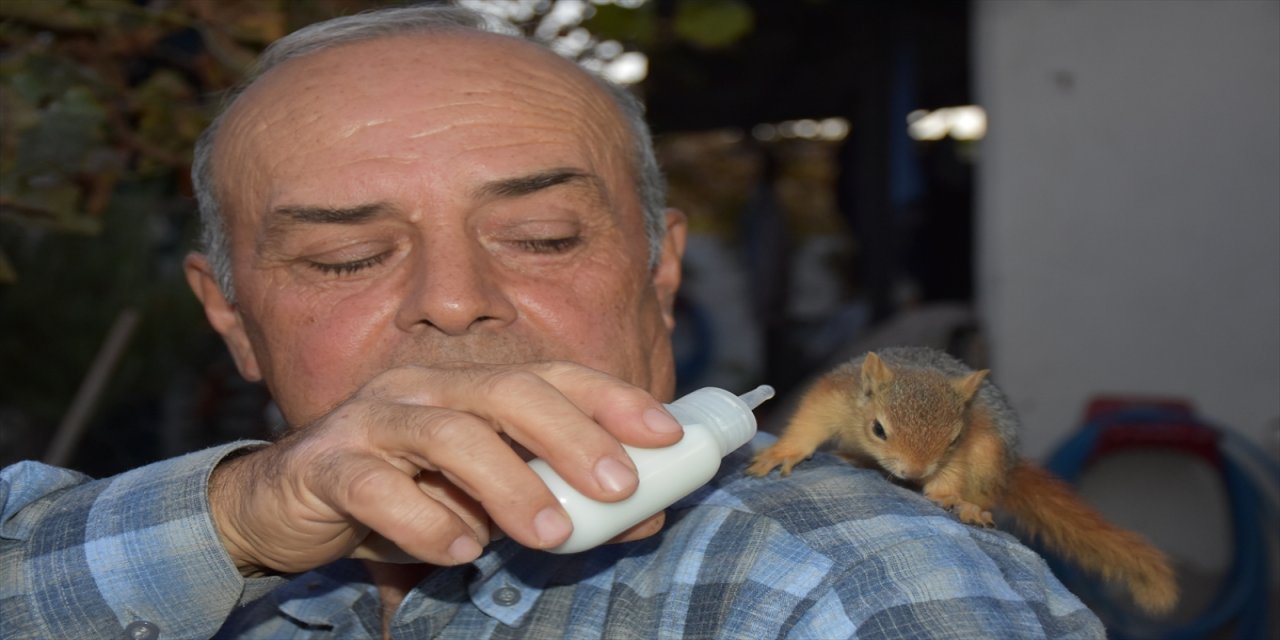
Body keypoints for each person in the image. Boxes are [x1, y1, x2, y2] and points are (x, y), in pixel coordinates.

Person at [0, 4, 1104, 638]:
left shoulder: (839, 581)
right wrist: (238, 515)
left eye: (542, 239)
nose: (452, 296)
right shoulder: (230, 559)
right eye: (345, 256)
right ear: (230, 318)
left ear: (659, 276)